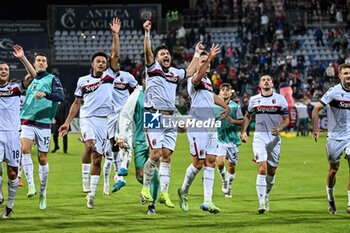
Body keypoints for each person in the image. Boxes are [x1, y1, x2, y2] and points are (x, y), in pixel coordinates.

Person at [59, 17, 120, 209]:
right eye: (98, 62)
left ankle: (91, 194)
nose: (102, 64)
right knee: (91, 146)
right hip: (87, 118)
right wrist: (67, 123)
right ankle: (85, 179)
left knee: (97, 157)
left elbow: (115, 54)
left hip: (104, 120)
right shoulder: (83, 80)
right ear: (92, 64)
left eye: (104, 61)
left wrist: (115, 34)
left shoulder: (111, 76)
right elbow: (76, 103)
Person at [140, 20, 201, 208]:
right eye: (162, 53)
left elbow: (190, 71)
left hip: (171, 117)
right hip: (154, 115)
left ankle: (164, 193)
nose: (165, 55)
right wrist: (147, 34)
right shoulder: (153, 69)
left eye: (167, 53)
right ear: (156, 58)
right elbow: (148, 53)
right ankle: (145, 188)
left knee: (166, 156)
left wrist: (198, 53)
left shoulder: (174, 72)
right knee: (156, 154)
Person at [177, 45, 229, 214]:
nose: (206, 64)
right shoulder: (193, 79)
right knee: (198, 163)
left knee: (211, 161)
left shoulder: (207, 82)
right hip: (197, 125)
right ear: (199, 63)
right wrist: (210, 58)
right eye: (203, 61)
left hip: (210, 125)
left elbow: (211, 96)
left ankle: (207, 201)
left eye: (207, 62)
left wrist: (225, 106)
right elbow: (198, 75)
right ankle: (183, 191)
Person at [20, 46, 64, 210]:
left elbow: (60, 96)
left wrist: (45, 94)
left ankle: (43, 193)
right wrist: (22, 57)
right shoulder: (30, 80)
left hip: (44, 123)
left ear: (46, 64)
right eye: (38, 60)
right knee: (25, 149)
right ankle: (31, 185)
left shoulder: (52, 79)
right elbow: (30, 78)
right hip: (27, 121)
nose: (40, 62)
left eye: (43, 61)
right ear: (34, 63)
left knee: (42, 159)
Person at [240, 75, 289, 214]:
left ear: (272, 83)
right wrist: (243, 131)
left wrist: (280, 128)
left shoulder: (280, 99)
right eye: (263, 80)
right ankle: (261, 202)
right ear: (260, 85)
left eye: (268, 79)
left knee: (272, 171)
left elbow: (286, 119)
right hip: (259, 137)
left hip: (274, 139)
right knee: (262, 168)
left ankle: (266, 195)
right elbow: (248, 116)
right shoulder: (254, 100)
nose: (266, 81)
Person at [0, 44, 37, 218]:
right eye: (0, 69)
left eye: (6, 69)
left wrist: (22, 57)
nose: (3, 71)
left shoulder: (15, 88)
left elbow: (33, 76)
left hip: (13, 135)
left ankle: (9, 205)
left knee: (13, 172)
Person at [116, 74, 160, 214]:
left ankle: (152, 204)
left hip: (156, 139)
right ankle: (148, 189)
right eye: (148, 79)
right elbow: (125, 115)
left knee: (155, 172)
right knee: (140, 175)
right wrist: (122, 136)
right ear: (143, 81)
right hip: (140, 139)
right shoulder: (136, 95)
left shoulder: (160, 94)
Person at [312, 63, 350, 215]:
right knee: (333, 169)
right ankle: (330, 197)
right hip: (335, 137)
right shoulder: (333, 92)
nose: (348, 76)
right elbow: (316, 109)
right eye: (346, 73)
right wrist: (315, 128)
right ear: (340, 75)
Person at [103, 66, 138, 195]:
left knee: (125, 143)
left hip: (125, 113)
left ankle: (120, 174)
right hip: (110, 115)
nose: (117, 65)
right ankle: (113, 178)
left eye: (118, 62)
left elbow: (137, 89)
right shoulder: (104, 77)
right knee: (112, 148)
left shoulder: (127, 76)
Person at [215, 83, 243, 198]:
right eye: (223, 89)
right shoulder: (214, 106)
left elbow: (242, 121)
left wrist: (233, 121)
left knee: (231, 166)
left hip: (232, 140)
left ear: (231, 92)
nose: (225, 91)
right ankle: (224, 180)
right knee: (220, 163)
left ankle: (229, 186)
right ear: (219, 92)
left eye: (227, 89)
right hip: (218, 139)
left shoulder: (235, 106)